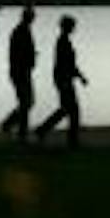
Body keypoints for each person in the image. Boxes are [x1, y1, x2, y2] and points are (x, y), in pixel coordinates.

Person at [35, 15, 89, 148]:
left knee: (66, 109)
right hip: (63, 79)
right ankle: (72, 140)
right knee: (73, 110)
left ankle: (43, 130)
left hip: (63, 78)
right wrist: (79, 77)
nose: (74, 28)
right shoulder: (63, 42)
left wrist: (79, 76)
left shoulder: (63, 41)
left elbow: (70, 64)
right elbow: (68, 64)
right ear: (67, 27)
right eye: (72, 26)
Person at [0, 7, 38, 141]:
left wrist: (32, 56)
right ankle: (19, 131)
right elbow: (18, 53)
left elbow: (20, 51)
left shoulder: (23, 30)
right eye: (32, 17)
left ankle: (10, 125)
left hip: (21, 71)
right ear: (27, 17)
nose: (33, 19)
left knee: (26, 102)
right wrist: (30, 58)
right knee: (26, 102)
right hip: (20, 71)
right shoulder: (21, 31)